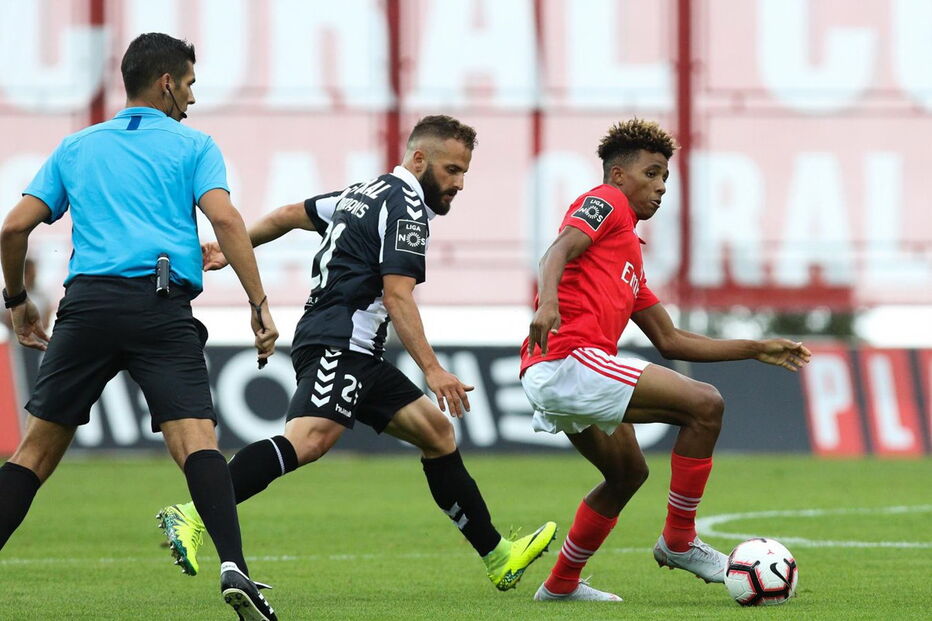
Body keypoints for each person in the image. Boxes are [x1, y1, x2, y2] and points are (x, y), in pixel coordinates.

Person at [157, 115, 557, 592]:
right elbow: (398, 295)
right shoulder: (406, 207)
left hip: (358, 351)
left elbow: (288, 214)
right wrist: (433, 369)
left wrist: (230, 247)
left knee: (436, 433)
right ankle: (193, 513)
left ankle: (497, 556)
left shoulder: (361, 193)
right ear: (419, 158)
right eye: (452, 170)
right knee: (308, 440)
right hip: (338, 340)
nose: (459, 183)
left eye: (465, 172)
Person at [0, 33, 279, 621]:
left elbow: (12, 228)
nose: (193, 100)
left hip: (88, 306)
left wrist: (17, 299)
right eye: (191, 86)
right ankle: (235, 566)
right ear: (168, 83)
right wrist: (257, 302)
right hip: (160, 305)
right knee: (196, 443)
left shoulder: (76, 146)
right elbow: (226, 219)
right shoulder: (194, 144)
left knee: (35, 454)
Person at [520, 118, 812, 602]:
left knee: (627, 474)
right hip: (569, 360)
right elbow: (556, 251)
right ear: (618, 176)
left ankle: (561, 585)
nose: (659, 188)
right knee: (705, 405)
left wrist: (756, 348)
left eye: (665, 179)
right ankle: (679, 541)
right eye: (651, 174)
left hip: (560, 374)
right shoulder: (605, 202)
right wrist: (547, 302)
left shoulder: (628, 257)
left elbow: (671, 339)